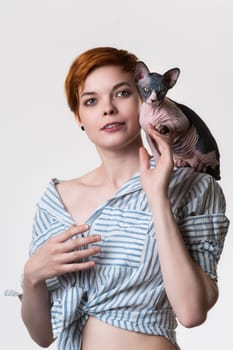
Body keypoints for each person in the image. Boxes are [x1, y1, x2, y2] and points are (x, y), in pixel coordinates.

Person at [18, 47, 229, 350]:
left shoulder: (192, 187)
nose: (108, 109)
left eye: (121, 94)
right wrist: (32, 276)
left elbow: (192, 312)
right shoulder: (56, 203)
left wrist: (157, 198)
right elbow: (42, 336)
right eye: (91, 101)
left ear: (144, 98)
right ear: (79, 116)